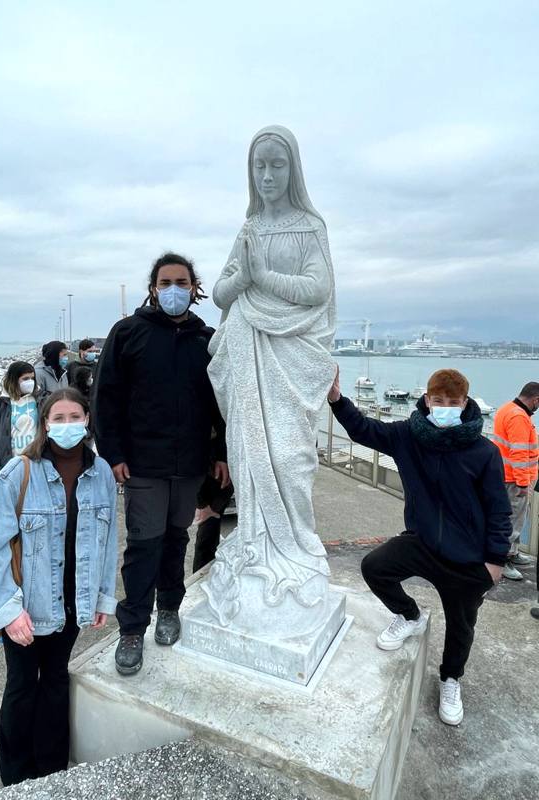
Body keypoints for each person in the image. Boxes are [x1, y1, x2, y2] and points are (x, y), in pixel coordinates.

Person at [201, 124, 336, 635]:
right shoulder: (249, 228)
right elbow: (220, 292)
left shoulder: (309, 226)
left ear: (293, 169)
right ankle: (256, 537)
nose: (268, 175)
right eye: (260, 166)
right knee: (249, 454)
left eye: (277, 165)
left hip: (291, 355)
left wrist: (262, 279)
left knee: (290, 457)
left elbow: (317, 288)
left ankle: (296, 546)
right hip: (248, 350)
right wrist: (244, 277)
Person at [328, 367, 511, 726]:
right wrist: (336, 399)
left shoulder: (484, 451)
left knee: (461, 627)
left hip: (467, 558)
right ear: (427, 401)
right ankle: (410, 616)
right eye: (438, 401)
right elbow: (364, 429)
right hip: (423, 542)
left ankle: (450, 679)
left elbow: (498, 508)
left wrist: (494, 560)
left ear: (464, 403)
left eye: (452, 402)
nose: (445, 407)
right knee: (375, 567)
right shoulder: (407, 436)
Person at [93, 252, 229, 675]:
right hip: (143, 465)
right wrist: (113, 454)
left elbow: (222, 402)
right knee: (143, 545)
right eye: (166, 282)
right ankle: (132, 628)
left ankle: (170, 608)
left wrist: (221, 452)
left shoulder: (205, 339)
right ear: (154, 288)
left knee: (176, 540)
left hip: (190, 464)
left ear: (194, 289)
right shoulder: (128, 333)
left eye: (182, 282)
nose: (174, 289)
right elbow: (105, 398)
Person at [0, 388, 118, 786]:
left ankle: (52, 772)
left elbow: (108, 542)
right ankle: (18, 779)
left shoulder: (101, 472)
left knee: (56, 680)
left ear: (87, 420)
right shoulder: (18, 473)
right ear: (45, 423)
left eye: (76, 416)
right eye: (59, 417)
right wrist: (6, 610)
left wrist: (103, 596)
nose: (68, 425)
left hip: (74, 602)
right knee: (21, 685)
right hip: (26, 605)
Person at [491, 383, 539, 580]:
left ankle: (513, 552)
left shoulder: (507, 408)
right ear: (535, 399)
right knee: (512, 522)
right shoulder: (519, 416)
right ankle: (503, 561)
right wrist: (522, 483)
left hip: (506, 476)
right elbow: (519, 453)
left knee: (514, 519)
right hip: (514, 480)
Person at [0, 361, 40, 479]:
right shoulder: (0, 405)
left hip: (37, 462)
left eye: (32, 378)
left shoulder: (39, 400)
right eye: (25, 379)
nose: (30, 382)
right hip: (10, 463)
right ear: (14, 380)